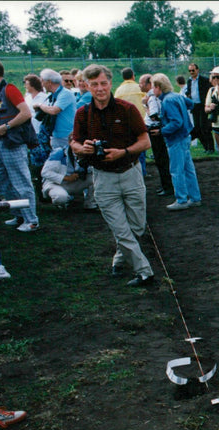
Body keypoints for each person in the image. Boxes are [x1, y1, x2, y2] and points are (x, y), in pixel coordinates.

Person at [71, 64, 155, 287]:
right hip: (103, 177)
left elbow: (145, 141)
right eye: (94, 84)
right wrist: (83, 148)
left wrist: (124, 151)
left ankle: (119, 259)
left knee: (137, 227)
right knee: (120, 227)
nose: (100, 88)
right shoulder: (82, 114)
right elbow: (74, 142)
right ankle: (145, 271)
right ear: (87, 86)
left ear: (110, 83)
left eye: (103, 83)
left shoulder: (126, 109)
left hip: (131, 173)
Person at [0, 57, 40, 232]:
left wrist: (7, 126)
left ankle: (32, 220)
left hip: (12, 143)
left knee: (21, 181)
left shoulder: (9, 89)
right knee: (2, 182)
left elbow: (26, 113)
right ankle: (19, 215)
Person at [151, 73, 201, 211]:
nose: (152, 90)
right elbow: (190, 104)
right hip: (185, 137)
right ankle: (195, 198)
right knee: (188, 169)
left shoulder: (167, 101)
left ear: (158, 87)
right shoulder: (177, 96)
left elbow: (176, 122)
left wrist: (162, 131)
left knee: (176, 170)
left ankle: (181, 199)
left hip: (176, 139)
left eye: (153, 87)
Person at [139, 74, 172, 197]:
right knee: (161, 159)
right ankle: (166, 185)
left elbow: (154, 116)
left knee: (161, 159)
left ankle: (167, 186)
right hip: (156, 129)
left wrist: (145, 105)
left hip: (155, 130)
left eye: (141, 83)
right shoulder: (153, 97)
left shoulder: (151, 98)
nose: (140, 85)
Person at [114, 68, 148, 176]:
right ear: (133, 76)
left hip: (126, 123)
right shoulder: (139, 88)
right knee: (142, 145)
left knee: (130, 147)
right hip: (141, 120)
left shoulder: (119, 90)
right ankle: (143, 171)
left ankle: (132, 171)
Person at [40, 145, 96, 210]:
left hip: (74, 182)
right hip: (55, 184)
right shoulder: (60, 152)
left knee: (96, 177)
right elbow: (45, 172)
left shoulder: (88, 153)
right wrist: (66, 178)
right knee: (61, 197)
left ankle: (90, 204)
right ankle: (61, 204)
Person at [37, 68, 77, 151]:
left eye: (42, 81)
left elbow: (54, 110)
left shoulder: (65, 93)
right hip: (57, 136)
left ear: (49, 82)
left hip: (66, 136)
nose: (42, 84)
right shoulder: (54, 95)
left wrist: (40, 105)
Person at [184, 64, 214, 153]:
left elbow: (210, 90)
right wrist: (188, 94)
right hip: (195, 106)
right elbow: (189, 91)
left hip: (203, 105)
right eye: (189, 71)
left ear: (197, 70)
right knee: (197, 128)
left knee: (205, 127)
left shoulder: (204, 80)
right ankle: (206, 147)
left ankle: (211, 148)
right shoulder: (189, 81)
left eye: (193, 70)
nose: (191, 72)